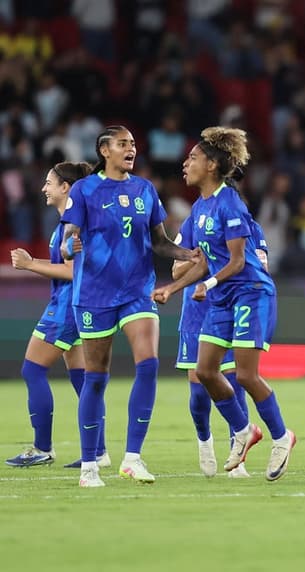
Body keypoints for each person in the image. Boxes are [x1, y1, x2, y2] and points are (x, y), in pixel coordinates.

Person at [151, 126, 295, 482]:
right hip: (220, 297)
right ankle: (245, 430)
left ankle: (281, 436)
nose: (186, 164)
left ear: (212, 166)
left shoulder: (230, 202)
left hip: (248, 293)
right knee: (205, 372)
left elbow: (238, 261)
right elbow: (200, 261)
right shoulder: (199, 209)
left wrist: (209, 284)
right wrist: (173, 287)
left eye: (193, 158)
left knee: (245, 374)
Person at [60, 125, 198, 488]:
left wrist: (187, 254)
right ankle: (89, 465)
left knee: (149, 364)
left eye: (133, 143)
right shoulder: (84, 189)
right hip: (94, 294)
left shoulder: (144, 189)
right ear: (104, 150)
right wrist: (65, 248)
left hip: (138, 290)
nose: (131, 149)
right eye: (123, 144)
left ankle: (132, 458)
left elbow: (160, 242)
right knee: (96, 378)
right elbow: (69, 234)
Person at [5, 161, 109, 469]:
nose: (43, 188)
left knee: (31, 370)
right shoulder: (68, 223)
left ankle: (43, 447)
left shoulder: (74, 226)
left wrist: (30, 264)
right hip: (75, 305)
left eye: (49, 182)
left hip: (68, 305)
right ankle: (99, 451)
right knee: (82, 379)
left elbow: (72, 270)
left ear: (66, 188)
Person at [172, 215, 270, 478]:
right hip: (197, 313)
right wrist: (202, 261)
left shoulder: (249, 226)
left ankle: (237, 459)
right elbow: (176, 271)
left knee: (236, 384)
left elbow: (262, 267)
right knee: (199, 391)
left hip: (232, 311)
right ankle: (204, 441)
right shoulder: (194, 223)